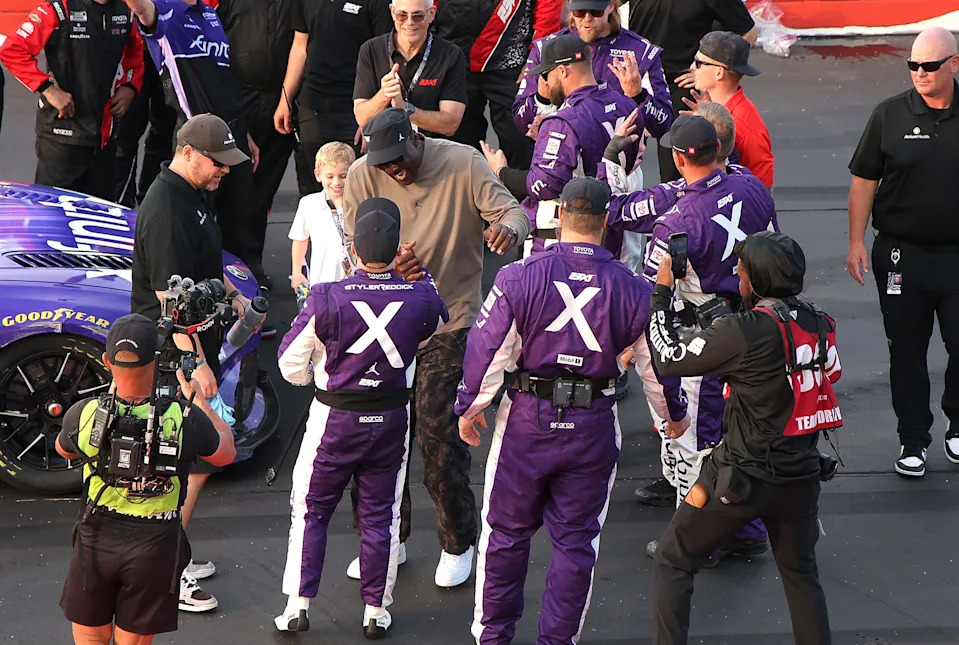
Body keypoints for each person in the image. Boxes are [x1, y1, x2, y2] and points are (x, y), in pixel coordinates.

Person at [456, 177, 654, 644]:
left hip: (527, 421)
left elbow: (487, 349)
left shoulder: (519, 276)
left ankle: (492, 637)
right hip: (594, 425)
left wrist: (470, 407)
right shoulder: (635, 288)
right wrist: (673, 418)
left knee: (505, 535)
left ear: (560, 214)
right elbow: (657, 368)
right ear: (606, 222)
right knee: (576, 544)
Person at [343, 107, 529, 588]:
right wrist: (380, 266)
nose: (394, 169)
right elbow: (352, 246)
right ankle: (385, 539)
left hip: (450, 318)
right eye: (383, 163)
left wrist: (508, 230)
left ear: (416, 139)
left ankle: (457, 540)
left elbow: (512, 211)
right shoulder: (364, 176)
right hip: (385, 318)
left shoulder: (463, 161)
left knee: (437, 433)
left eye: (399, 158)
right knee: (376, 436)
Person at [648, 231, 837, 645]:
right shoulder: (821, 323)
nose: (736, 273)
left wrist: (661, 293)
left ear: (754, 278)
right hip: (800, 477)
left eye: (742, 269)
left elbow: (668, 356)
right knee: (802, 578)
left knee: (673, 559)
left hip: (741, 481)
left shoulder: (743, 331)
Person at [275, 199, 448, 638]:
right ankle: (375, 610)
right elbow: (431, 318)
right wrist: (417, 273)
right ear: (396, 250)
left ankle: (297, 606)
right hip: (391, 419)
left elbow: (289, 367)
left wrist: (321, 369)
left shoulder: (326, 296)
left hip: (333, 418)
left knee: (310, 510)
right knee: (381, 514)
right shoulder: (422, 296)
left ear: (352, 249)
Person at [637, 114, 778, 563]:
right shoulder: (752, 186)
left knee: (697, 442)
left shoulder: (676, 222)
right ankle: (747, 526)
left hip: (704, 341)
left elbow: (651, 290)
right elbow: (775, 251)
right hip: (756, 330)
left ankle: (698, 541)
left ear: (679, 159)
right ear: (719, 149)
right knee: (747, 435)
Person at [130, 113, 255, 612]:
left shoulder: (194, 194)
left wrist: (232, 295)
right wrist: (195, 363)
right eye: (218, 162)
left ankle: (171, 551)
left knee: (193, 461)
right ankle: (166, 570)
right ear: (188, 153)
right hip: (174, 355)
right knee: (193, 461)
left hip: (197, 343)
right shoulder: (165, 211)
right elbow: (169, 299)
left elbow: (204, 263)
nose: (225, 170)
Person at [56, 314, 236, 644]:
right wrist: (203, 403)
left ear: (107, 361)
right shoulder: (183, 417)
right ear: (157, 361)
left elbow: (64, 449)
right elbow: (225, 453)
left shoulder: (83, 413)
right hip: (155, 544)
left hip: (96, 537)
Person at [847, 27, 959, 478]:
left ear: (954, 63)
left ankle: (956, 424)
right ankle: (913, 439)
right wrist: (856, 241)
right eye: (912, 65)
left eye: (929, 66)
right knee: (907, 351)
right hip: (901, 257)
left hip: (957, 257)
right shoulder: (889, 115)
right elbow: (864, 181)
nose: (919, 73)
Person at [121, 0, 266, 286]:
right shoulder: (163, 10)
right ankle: (200, 298)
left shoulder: (210, 13)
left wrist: (243, 133)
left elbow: (224, 80)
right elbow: (140, 8)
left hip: (232, 132)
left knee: (237, 221)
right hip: (199, 138)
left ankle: (242, 301)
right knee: (198, 221)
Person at [491, 34, 640, 254]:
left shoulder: (563, 120)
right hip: (611, 228)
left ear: (562, 71)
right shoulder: (625, 103)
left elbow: (542, 185)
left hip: (563, 236)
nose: (545, 83)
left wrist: (500, 171)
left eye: (545, 74)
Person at [0, 0, 144, 200]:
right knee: (52, 218)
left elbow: (137, 52)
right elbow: (12, 50)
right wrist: (48, 89)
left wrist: (129, 86)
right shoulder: (58, 8)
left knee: (102, 220)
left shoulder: (127, 11)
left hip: (103, 139)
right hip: (61, 137)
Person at [513, 0, 671, 154]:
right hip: (559, 159)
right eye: (580, 12)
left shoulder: (641, 52)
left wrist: (638, 95)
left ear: (611, 6)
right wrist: (542, 100)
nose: (587, 19)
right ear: (569, 5)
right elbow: (521, 122)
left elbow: (663, 125)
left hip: (619, 167)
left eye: (595, 12)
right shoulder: (546, 50)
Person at [622, 0, 755, 182]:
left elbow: (749, 32)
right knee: (614, 164)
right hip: (632, 78)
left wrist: (704, 68)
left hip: (679, 84)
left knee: (677, 172)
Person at [215, 0, 296, 291]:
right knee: (232, 183)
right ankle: (226, 262)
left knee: (265, 186)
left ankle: (252, 260)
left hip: (283, 98)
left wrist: (288, 98)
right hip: (238, 96)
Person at [273, 0, 391, 197]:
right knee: (312, 187)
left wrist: (370, 116)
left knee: (356, 189)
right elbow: (300, 46)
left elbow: (382, 58)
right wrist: (285, 99)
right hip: (313, 105)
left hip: (354, 108)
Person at [434, 0, 561, 169]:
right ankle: (466, 192)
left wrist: (537, 57)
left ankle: (518, 194)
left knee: (520, 141)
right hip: (455, 58)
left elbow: (549, 6)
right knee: (458, 145)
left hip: (512, 62)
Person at [353, 0, 468, 139]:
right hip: (384, 149)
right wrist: (384, 94)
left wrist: (405, 108)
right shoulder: (371, 50)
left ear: (431, 14)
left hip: (433, 149)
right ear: (392, 12)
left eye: (418, 16)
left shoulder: (451, 55)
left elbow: (450, 124)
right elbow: (362, 117)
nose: (409, 22)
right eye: (402, 15)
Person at [683, 31, 774, 189]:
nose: (692, 68)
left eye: (698, 63)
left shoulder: (746, 127)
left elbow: (762, 189)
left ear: (719, 72)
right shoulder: (715, 113)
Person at [114, 47, 178, 207]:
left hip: (170, 49)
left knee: (165, 134)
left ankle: (152, 202)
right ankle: (121, 201)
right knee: (125, 135)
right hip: (137, 48)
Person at [290, 142, 357, 291]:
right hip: (321, 282)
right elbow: (300, 239)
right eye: (330, 176)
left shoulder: (359, 203)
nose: (336, 182)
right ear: (318, 175)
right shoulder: (308, 204)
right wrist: (296, 272)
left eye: (343, 176)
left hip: (354, 282)